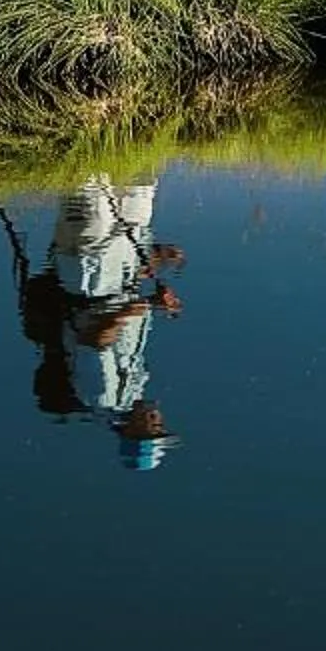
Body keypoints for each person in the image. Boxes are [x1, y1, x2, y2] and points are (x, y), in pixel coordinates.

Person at [41, 175, 188, 469]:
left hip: (89, 266)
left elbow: (94, 338)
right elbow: (124, 304)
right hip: (117, 265)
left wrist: (148, 305)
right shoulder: (133, 389)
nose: (158, 421)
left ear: (133, 433)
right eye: (160, 428)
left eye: (154, 430)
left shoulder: (102, 397)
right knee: (141, 179)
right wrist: (156, 256)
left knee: (86, 182)